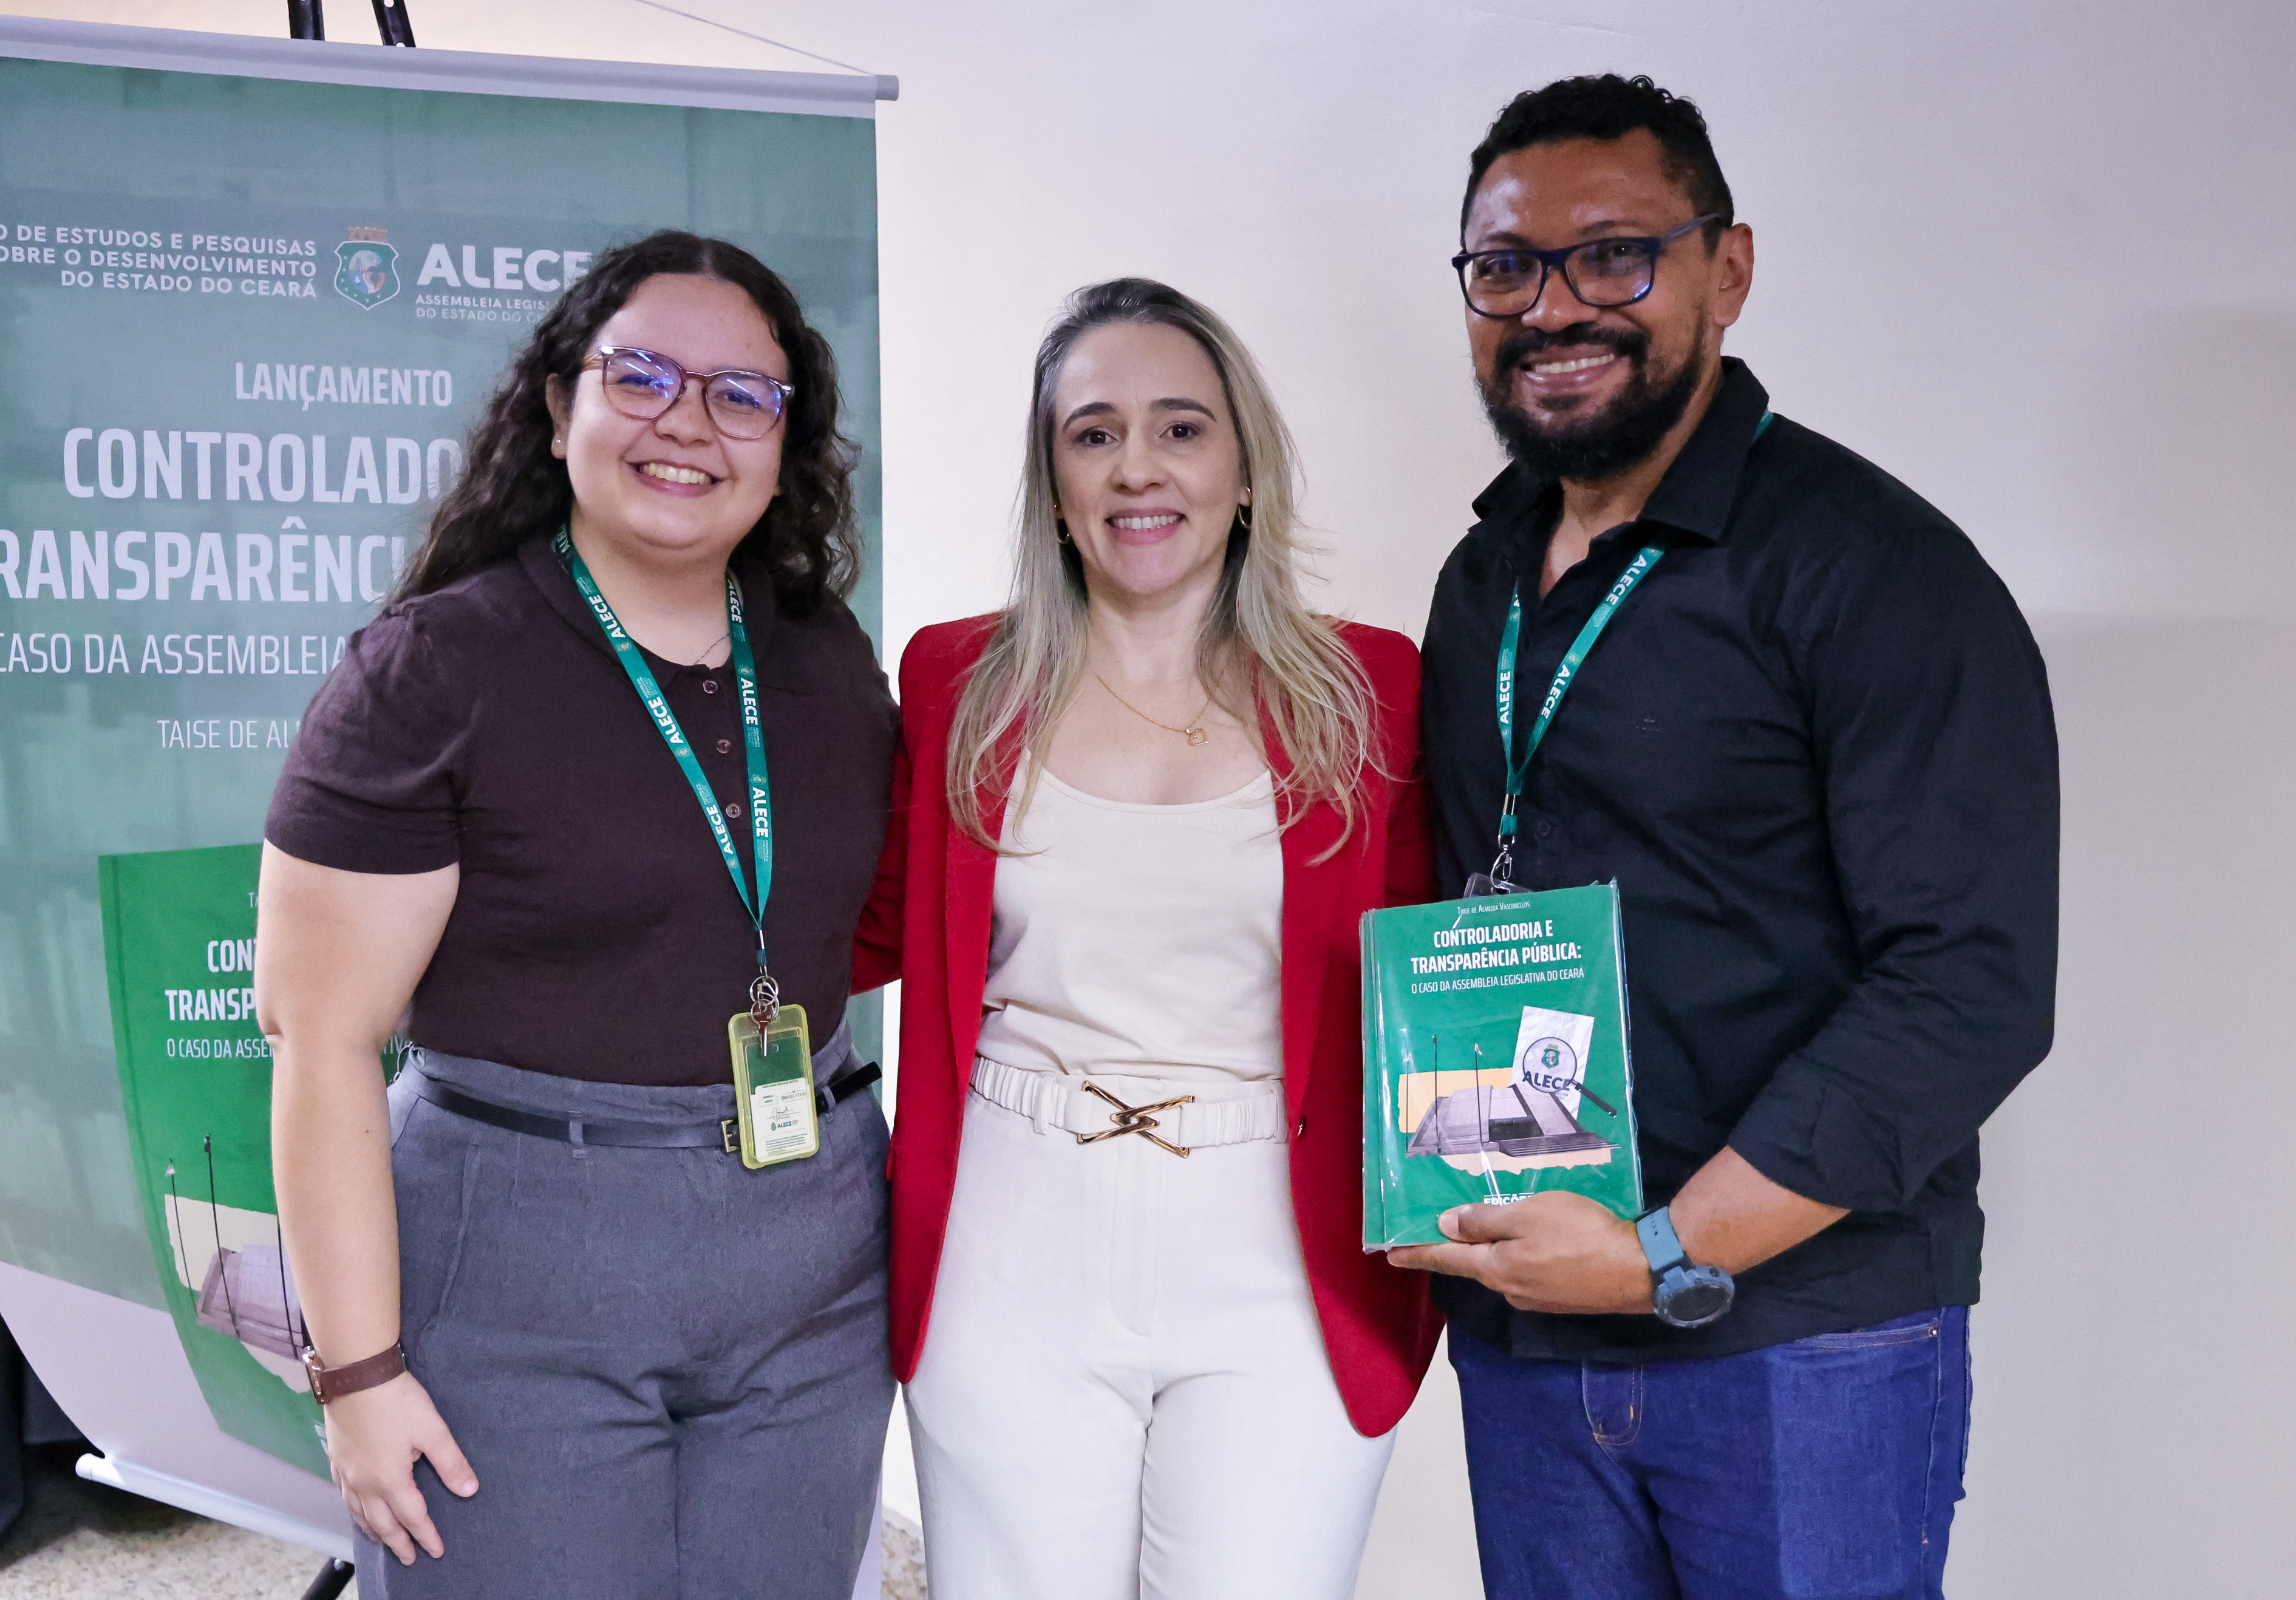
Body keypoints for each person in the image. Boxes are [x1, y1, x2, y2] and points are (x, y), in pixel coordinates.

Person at [1395, 75, 2059, 1600]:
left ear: (1728, 268)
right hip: (1527, 1331)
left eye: (1614, 255)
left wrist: (1662, 1252)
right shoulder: (1483, 579)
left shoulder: (1877, 569)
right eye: (1507, 266)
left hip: (1799, 1344)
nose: (1555, 305)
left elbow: (1968, 985)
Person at [256, 231, 898, 1600]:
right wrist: (357, 1376)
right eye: (642, 376)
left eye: (742, 395)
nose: (688, 423)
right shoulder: (432, 669)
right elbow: (319, 1041)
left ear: (785, 447)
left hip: (815, 1260)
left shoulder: (825, 653)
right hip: (522, 1262)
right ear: (559, 409)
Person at [853, 279, 1441, 1599]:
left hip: (1280, 1239)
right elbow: (866, 924)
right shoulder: (956, 680)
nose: (1136, 469)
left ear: (1246, 471)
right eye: (1093, 433)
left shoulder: (1370, 690)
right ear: (1051, 482)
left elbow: (1427, 977)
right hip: (1009, 1225)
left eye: (1180, 428)